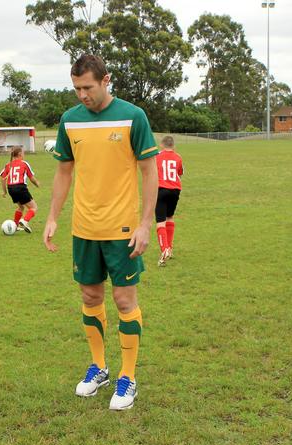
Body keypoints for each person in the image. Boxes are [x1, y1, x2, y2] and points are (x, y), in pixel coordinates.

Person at [42, 54, 158, 411]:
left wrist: (144, 224)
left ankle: (128, 377)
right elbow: (64, 172)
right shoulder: (70, 121)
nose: (82, 95)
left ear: (106, 80)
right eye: (76, 88)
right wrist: (52, 217)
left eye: (88, 87)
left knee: (124, 301)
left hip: (122, 228)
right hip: (84, 228)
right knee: (91, 297)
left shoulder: (133, 116)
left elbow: (149, 172)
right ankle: (99, 367)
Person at [154, 135, 183, 267]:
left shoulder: (157, 156)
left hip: (161, 189)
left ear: (161, 144)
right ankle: (169, 248)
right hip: (175, 190)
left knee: (160, 222)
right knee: (169, 217)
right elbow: (180, 173)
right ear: (173, 146)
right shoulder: (178, 157)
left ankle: (164, 249)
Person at [0, 146, 40, 233]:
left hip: (11, 189)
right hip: (20, 188)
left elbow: (3, 178)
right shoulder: (24, 163)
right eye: (23, 153)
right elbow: (31, 178)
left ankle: (15, 225)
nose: (24, 154)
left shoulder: (8, 165)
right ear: (20, 154)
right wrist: (37, 183)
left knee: (21, 207)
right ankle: (24, 221)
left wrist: (4, 191)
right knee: (33, 207)